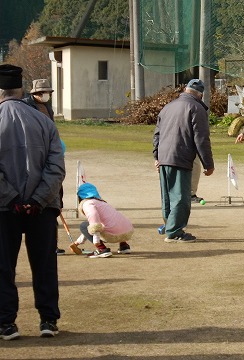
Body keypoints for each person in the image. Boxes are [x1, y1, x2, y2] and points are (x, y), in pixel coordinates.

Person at [0, 64, 65, 340]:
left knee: (3, 266)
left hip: (4, 208)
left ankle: (5, 323)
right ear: (22, 89)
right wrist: (38, 198)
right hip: (43, 206)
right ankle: (48, 319)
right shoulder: (44, 120)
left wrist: (12, 197)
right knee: (45, 264)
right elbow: (56, 166)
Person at [153, 79, 214, 242]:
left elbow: (157, 134)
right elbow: (201, 139)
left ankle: (170, 225)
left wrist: (156, 156)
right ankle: (174, 232)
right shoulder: (196, 108)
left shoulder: (168, 107)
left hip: (164, 157)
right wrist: (208, 164)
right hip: (180, 156)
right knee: (181, 196)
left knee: (167, 196)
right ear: (200, 94)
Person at [23, 79, 66, 255]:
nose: (46, 95)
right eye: (43, 92)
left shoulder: (48, 107)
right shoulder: (27, 107)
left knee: (54, 202)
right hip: (36, 159)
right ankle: (47, 245)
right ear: (34, 94)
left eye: (48, 92)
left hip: (52, 156)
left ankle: (52, 244)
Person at [69, 183, 134, 258]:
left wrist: (96, 241)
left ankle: (102, 249)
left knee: (83, 225)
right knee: (112, 221)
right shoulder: (101, 203)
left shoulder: (87, 204)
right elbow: (90, 228)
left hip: (112, 235)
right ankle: (124, 246)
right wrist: (77, 243)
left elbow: (93, 225)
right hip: (127, 231)